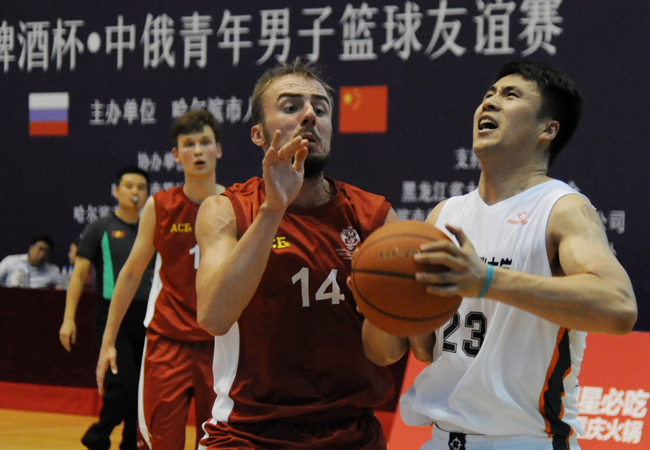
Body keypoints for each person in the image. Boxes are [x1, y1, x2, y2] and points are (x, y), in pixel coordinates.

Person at [360, 60, 638, 450]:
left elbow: (619, 307)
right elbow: (403, 352)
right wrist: (379, 298)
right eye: (489, 94)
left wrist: (487, 280)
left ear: (547, 129)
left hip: (525, 440)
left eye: (510, 95)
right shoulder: (445, 215)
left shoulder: (562, 209)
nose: (489, 103)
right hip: (440, 439)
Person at [194, 58, 398, 450]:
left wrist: (385, 306)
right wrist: (273, 210)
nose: (309, 116)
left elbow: (387, 354)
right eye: (291, 107)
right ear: (258, 134)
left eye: (321, 109)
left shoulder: (373, 215)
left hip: (350, 433)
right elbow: (214, 317)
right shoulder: (226, 210)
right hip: (248, 433)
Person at [96, 110, 225, 450]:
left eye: (205, 142)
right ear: (176, 155)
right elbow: (130, 273)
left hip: (220, 344)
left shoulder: (235, 204)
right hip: (168, 342)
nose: (198, 150)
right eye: (189, 144)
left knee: (218, 444)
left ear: (218, 149)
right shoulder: (161, 205)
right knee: (161, 443)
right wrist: (108, 339)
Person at [59, 166, 153, 450]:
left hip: (147, 317)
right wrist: (68, 319)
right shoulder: (101, 227)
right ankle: (98, 435)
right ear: (116, 191)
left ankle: (129, 443)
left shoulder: (151, 228)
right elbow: (79, 275)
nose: (135, 192)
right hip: (112, 316)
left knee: (141, 388)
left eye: (141, 187)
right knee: (123, 384)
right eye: (129, 186)